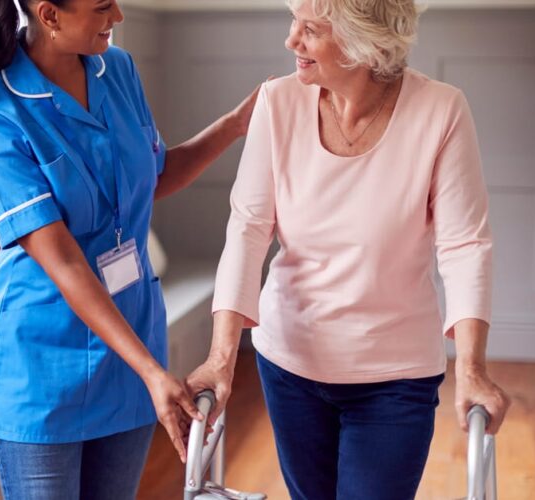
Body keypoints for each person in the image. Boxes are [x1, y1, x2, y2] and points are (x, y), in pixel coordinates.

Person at [185, 0, 511, 498]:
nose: (291, 41)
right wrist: (221, 358)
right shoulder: (278, 102)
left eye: (310, 30)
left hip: (395, 376)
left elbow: (465, 244)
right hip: (289, 361)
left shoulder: (441, 110)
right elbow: (249, 229)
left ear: (366, 44)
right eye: (293, 22)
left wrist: (471, 368)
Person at [0, 0, 257, 497]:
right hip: (44, 374)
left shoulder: (118, 70)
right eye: (101, 6)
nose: (117, 16)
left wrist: (235, 124)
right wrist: (153, 372)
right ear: (50, 15)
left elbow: (155, 176)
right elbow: (66, 262)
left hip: (132, 357)